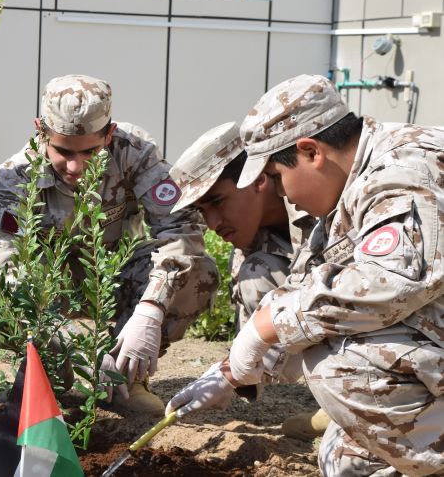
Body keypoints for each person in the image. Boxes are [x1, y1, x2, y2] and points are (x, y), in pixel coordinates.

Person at [167, 74, 444, 476]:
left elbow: (392, 280)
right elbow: (310, 276)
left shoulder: (403, 172)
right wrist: (230, 371)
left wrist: (266, 326)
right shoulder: (352, 182)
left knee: (344, 369)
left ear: (311, 151)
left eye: (277, 177)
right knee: (344, 461)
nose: (278, 192)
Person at [0, 74, 218, 414]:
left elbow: (179, 229)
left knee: (198, 270)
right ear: (40, 131)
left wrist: (150, 311)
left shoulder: (136, 154)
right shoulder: (14, 178)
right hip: (49, 287)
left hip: (111, 274)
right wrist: (71, 342)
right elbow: (2, 267)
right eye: (62, 151)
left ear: (109, 133)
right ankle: (47, 371)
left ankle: (126, 375)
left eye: (90, 151)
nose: (75, 167)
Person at [169, 122, 328, 440]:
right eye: (203, 211)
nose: (212, 223)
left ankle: (362, 405)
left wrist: (229, 374)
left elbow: (350, 294)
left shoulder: (317, 199)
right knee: (256, 274)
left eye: (217, 202)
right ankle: (340, 402)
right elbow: (274, 328)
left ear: (256, 179)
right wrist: (233, 372)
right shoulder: (251, 250)